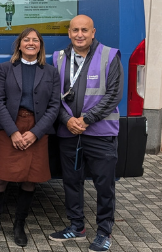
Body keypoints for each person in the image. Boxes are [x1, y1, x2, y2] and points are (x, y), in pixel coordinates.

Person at [0, 28, 60, 246]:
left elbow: (54, 106)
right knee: (0, 178)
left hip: (37, 129)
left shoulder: (51, 72)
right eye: (27, 39)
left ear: (40, 45)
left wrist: (34, 133)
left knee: (30, 181)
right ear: (20, 44)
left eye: (35, 40)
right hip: (10, 128)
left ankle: (19, 226)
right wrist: (13, 132)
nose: (31, 43)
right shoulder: (6, 69)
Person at [48, 15, 122, 252]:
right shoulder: (58, 58)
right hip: (69, 132)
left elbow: (113, 95)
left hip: (100, 133)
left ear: (93, 32)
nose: (80, 34)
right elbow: (53, 97)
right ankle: (76, 226)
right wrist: (67, 120)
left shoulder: (110, 56)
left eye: (85, 30)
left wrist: (86, 119)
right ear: (69, 33)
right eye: (75, 30)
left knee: (104, 185)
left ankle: (103, 232)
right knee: (71, 181)